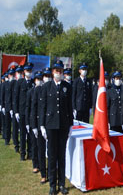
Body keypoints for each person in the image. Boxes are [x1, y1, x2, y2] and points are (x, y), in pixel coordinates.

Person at [40, 60, 73, 195]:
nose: (58, 73)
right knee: (52, 156)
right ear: (53, 72)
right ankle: (52, 185)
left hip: (64, 125)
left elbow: (70, 108)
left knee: (62, 156)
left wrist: (71, 125)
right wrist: (42, 125)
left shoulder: (67, 86)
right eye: (56, 70)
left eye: (60, 70)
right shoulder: (46, 87)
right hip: (51, 126)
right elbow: (43, 108)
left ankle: (62, 184)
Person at [14, 62, 35, 161]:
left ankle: (30, 153)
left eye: (30, 70)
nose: (29, 72)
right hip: (22, 111)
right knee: (22, 133)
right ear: (24, 72)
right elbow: (16, 97)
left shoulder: (34, 83)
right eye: (27, 71)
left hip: (31, 112)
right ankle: (23, 153)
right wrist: (16, 111)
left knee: (30, 134)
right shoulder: (20, 82)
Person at [29, 71, 47, 184]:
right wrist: (34, 125)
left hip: (51, 124)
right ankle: (43, 174)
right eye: (43, 77)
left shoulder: (53, 89)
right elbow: (33, 109)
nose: (43, 80)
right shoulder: (36, 90)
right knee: (40, 149)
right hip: (40, 124)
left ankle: (51, 172)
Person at [2, 69, 15, 146]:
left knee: (14, 125)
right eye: (10, 75)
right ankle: (7, 139)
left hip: (13, 107)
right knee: (7, 124)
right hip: (7, 106)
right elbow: (3, 95)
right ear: (8, 75)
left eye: (13, 74)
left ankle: (14, 138)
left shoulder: (16, 83)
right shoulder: (5, 84)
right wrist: (2, 105)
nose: (12, 76)